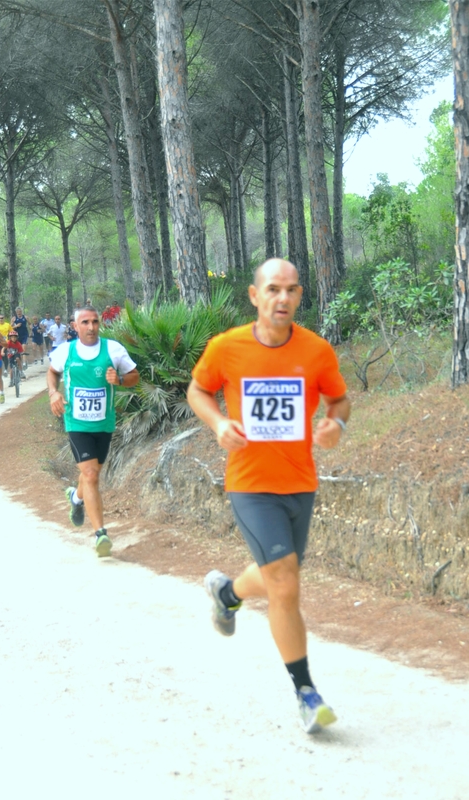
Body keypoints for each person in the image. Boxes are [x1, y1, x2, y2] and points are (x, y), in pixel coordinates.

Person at [187, 258, 351, 735]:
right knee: (285, 583)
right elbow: (198, 391)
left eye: (292, 290)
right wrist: (219, 423)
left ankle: (228, 592)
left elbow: (339, 399)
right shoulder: (227, 347)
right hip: (250, 482)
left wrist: (335, 424)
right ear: (255, 295)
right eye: (274, 289)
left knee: (283, 574)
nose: (284, 299)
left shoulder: (316, 351)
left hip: (300, 481)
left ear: (300, 296)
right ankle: (306, 692)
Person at [47, 305, 139, 556]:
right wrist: (53, 392)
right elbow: (52, 373)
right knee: (90, 474)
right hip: (76, 423)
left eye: (95, 322)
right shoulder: (66, 351)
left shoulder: (113, 349)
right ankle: (101, 534)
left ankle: (76, 498)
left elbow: (134, 376)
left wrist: (119, 380)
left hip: (104, 423)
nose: (91, 327)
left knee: (92, 473)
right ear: (75, 327)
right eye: (85, 322)